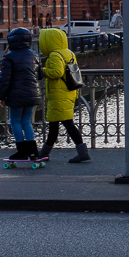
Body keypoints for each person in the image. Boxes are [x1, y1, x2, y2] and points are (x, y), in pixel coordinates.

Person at [36, 27, 90, 163]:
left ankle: (81, 153)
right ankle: (44, 153)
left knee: (65, 124)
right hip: (68, 92)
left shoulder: (55, 54)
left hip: (58, 95)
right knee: (59, 125)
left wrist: (41, 71)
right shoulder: (69, 53)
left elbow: (57, 72)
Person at [0, 27, 41, 162]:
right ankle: (33, 152)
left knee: (15, 121)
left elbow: (5, 79)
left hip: (16, 94)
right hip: (32, 93)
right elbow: (39, 75)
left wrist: (0, 97)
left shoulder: (10, 56)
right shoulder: (34, 54)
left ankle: (21, 151)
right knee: (27, 121)